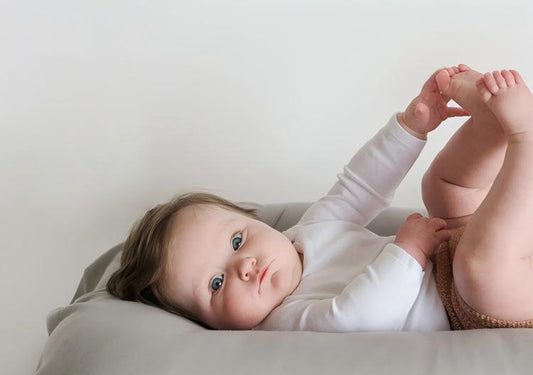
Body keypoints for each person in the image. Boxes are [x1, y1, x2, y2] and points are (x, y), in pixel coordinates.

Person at [107, 65, 533, 332]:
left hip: (449, 253)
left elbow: (359, 186)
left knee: (440, 188)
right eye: (216, 284)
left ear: (257, 223)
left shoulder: (306, 232)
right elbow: (357, 318)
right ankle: (524, 136)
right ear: (210, 325)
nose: (244, 267)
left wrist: (411, 126)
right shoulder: (285, 320)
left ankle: (490, 128)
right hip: (473, 308)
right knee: (480, 269)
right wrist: (407, 253)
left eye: (237, 241)